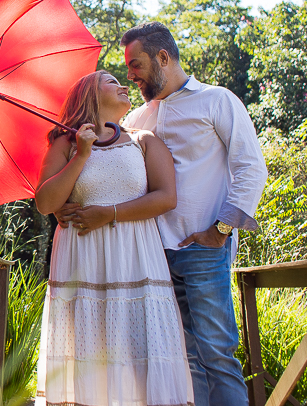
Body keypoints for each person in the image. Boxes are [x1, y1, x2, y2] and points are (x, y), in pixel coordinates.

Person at [59, 22, 267, 406]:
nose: (130, 75)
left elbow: (251, 168)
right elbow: (111, 170)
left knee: (218, 354)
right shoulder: (137, 119)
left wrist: (219, 231)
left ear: (163, 58)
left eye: (135, 65)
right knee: (184, 359)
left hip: (203, 247)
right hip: (151, 258)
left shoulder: (216, 101)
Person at [35, 70, 194, 406]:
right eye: (111, 82)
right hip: (84, 260)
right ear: (90, 95)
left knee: (141, 351)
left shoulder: (144, 140)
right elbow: (47, 203)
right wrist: (81, 155)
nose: (124, 86)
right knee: (89, 354)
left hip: (136, 256)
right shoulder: (65, 144)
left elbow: (166, 198)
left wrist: (110, 213)